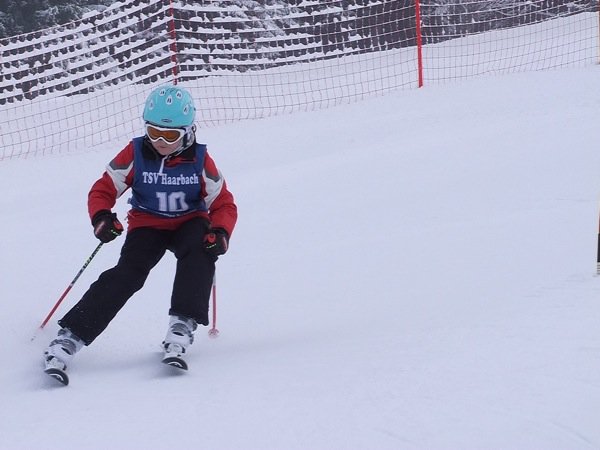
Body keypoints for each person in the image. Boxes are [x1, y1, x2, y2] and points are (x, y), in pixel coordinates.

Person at [43, 85, 237, 379]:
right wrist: (102, 217)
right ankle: (71, 336)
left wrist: (220, 232)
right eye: (153, 132)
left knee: (198, 252)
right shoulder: (135, 153)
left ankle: (182, 325)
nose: (160, 141)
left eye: (170, 136)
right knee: (128, 274)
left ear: (187, 132)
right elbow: (103, 188)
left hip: (189, 221)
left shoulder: (200, 160)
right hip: (148, 224)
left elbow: (223, 202)